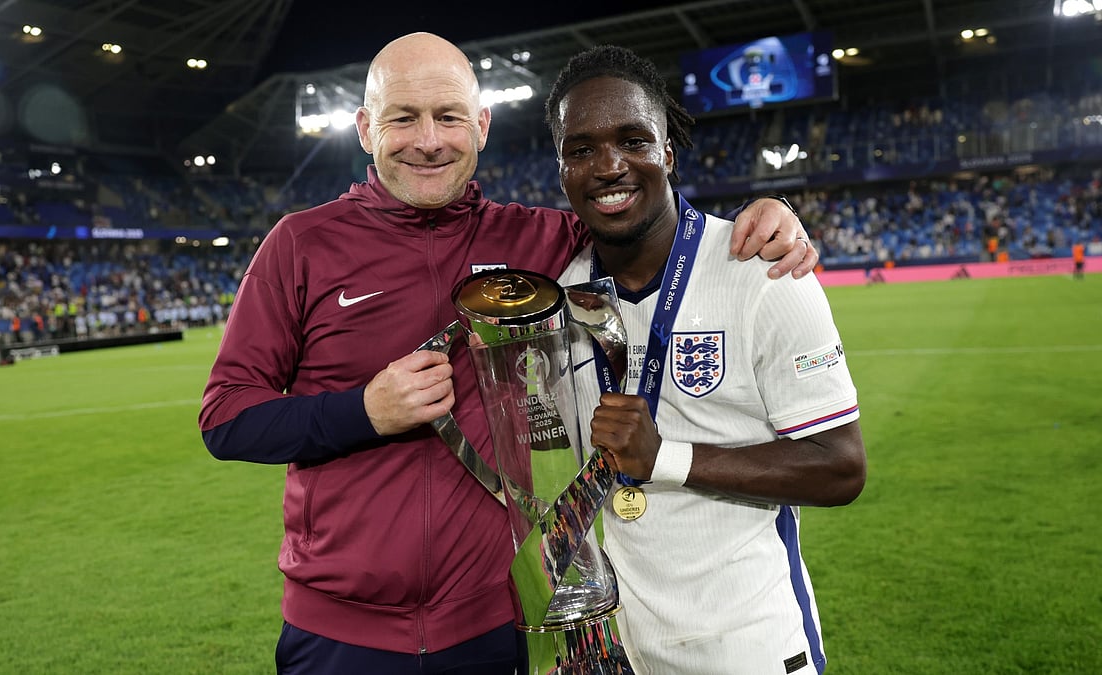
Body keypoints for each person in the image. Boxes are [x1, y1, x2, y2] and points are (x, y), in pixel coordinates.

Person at [199, 32, 817, 675]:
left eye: (449, 117)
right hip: (341, 635)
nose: (429, 140)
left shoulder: (541, 241)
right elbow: (226, 417)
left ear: (483, 126)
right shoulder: (299, 246)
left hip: (500, 628)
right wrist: (363, 411)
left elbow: (646, 216)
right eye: (402, 118)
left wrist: (767, 213)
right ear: (363, 128)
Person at [548, 46, 866, 674]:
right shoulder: (559, 300)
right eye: (581, 150)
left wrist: (663, 457)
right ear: (562, 169)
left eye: (633, 140)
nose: (609, 167)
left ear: (668, 150)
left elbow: (840, 468)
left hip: (748, 645)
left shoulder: (764, 271)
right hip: (620, 652)